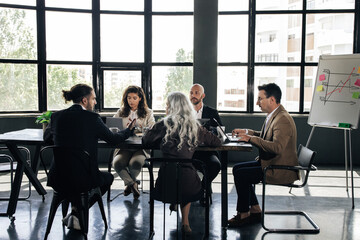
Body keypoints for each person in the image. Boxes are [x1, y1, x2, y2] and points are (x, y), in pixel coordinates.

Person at [44, 83, 136, 230]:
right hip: (83, 178)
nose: (95, 102)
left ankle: (75, 212)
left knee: (74, 182)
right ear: (84, 100)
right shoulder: (92, 118)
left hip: (58, 177)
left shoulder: (56, 116)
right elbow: (112, 139)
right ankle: (77, 213)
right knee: (108, 178)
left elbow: (47, 138)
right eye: (93, 99)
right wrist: (128, 131)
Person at [142, 92, 221, 235]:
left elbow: (145, 140)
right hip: (189, 186)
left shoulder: (162, 125)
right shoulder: (194, 126)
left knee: (177, 175)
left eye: (167, 105)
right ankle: (185, 222)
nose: (166, 108)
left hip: (164, 184)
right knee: (187, 176)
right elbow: (216, 141)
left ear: (172, 107)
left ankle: (174, 203)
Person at [227, 83, 299, 227]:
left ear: (272, 100)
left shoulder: (282, 119)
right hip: (271, 163)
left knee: (242, 175)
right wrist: (248, 133)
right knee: (237, 169)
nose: (257, 103)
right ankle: (255, 209)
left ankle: (244, 214)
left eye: (260, 99)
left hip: (279, 168)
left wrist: (251, 139)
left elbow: (277, 147)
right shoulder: (275, 115)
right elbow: (267, 136)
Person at [112, 85, 155, 199]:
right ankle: (132, 184)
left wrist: (140, 129)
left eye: (134, 98)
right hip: (125, 147)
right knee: (117, 163)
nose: (131, 101)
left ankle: (129, 185)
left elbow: (152, 128)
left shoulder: (148, 112)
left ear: (140, 98)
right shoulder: (120, 112)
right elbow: (112, 126)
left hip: (141, 148)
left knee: (134, 163)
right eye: (129, 98)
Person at [189, 83, 222, 205]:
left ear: (203, 95)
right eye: (191, 93)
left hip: (207, 151)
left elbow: (219, 131)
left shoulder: (212, 112)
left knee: (215, 165)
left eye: (196, 93)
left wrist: (208, 131)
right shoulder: (185, 113)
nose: (193, 95)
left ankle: (202, 188)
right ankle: (203, 190)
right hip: (190, 152)